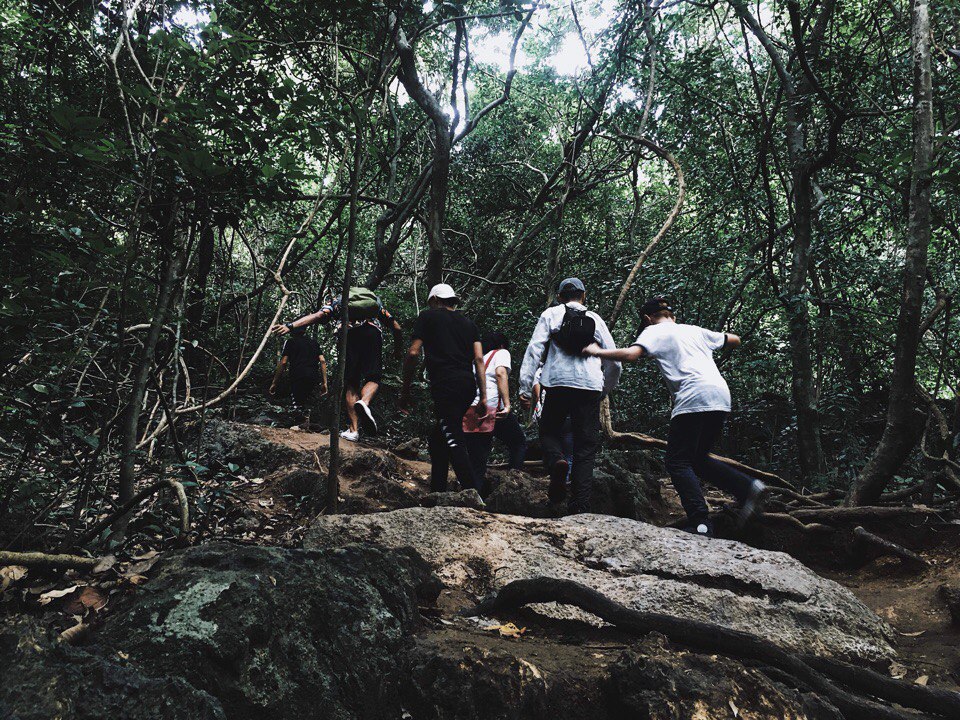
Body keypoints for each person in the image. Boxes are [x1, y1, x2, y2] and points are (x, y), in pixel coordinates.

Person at [584, 297, 766, 537]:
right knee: (698, 459)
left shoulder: (654, 331)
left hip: (693, 396)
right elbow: (734, 339)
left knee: (677, 461)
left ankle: (701, 522)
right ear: (673, 316)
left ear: (648, 319)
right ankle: (748, 487)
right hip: (720, 396)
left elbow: (630, 355)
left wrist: (597, 351)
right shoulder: (694, 331)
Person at [518, 277, 621, 513]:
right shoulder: (595, 320)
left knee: (548, 431)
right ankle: (580, 505)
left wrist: (525, 388)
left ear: (561, 297)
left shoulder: (551, 314)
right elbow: (614, 362)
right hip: (589, 387)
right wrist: (603, 389)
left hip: (557, 384)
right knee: (585, 446)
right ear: (584, 296)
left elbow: (534, 351)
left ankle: (557, 462)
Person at [273, 288, 403, 442]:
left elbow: (318, 315)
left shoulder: (338, 300)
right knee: (373, 377)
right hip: (372, 334)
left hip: (349, 336)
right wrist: (397, 350)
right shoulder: (375, 304)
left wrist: (290, 325)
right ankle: (364, 402)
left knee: (351, 383)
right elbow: (396, 327)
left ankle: (354, 430)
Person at [399, 283, 487, 493]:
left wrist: (406, 387)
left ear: (435, 301)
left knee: (453, 435)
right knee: (438, 438)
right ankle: (437, 490)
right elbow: (479, 359)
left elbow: (413, 353)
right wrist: (484, 396)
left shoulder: (428, 317)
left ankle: (473, 493)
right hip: (467, 385)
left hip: (445, 384)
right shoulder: (469, 324)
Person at [461, 332, 527, 494]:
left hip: (472, 408)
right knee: (518, 442)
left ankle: (472, 496)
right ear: (503, 345)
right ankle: (513, 486)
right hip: (492, 408)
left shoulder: (479, 360)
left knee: (478, 458)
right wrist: (507, 405)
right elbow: (500, 373)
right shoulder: (502, 353)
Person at [269, 326, 327, 428]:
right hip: (313, 375)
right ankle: (305, 424)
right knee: (307, 400)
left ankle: (300, 425)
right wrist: (325, 382)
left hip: (297, 375)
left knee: (297, 401)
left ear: (292, 332)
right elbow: (322, 360)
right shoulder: (314, 343)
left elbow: (283, 362)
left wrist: (274, 382)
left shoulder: (291, 342)